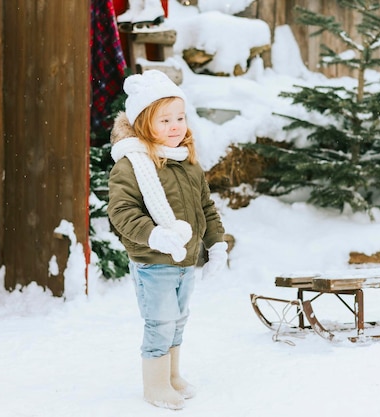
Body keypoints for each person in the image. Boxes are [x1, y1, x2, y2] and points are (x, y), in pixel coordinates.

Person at [107, 70, 228, 410]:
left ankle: (172, 376)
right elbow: (122, 212)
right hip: (154, 262)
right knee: (160, 323)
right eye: (165, 120)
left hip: (185, 261)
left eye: (180, 117)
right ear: (144, 123)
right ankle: (156, 385)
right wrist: (155, 235)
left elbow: (206, 207)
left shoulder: (188, 163)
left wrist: (216, 243)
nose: (176, 126)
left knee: (178, 321)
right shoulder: (132, 165)